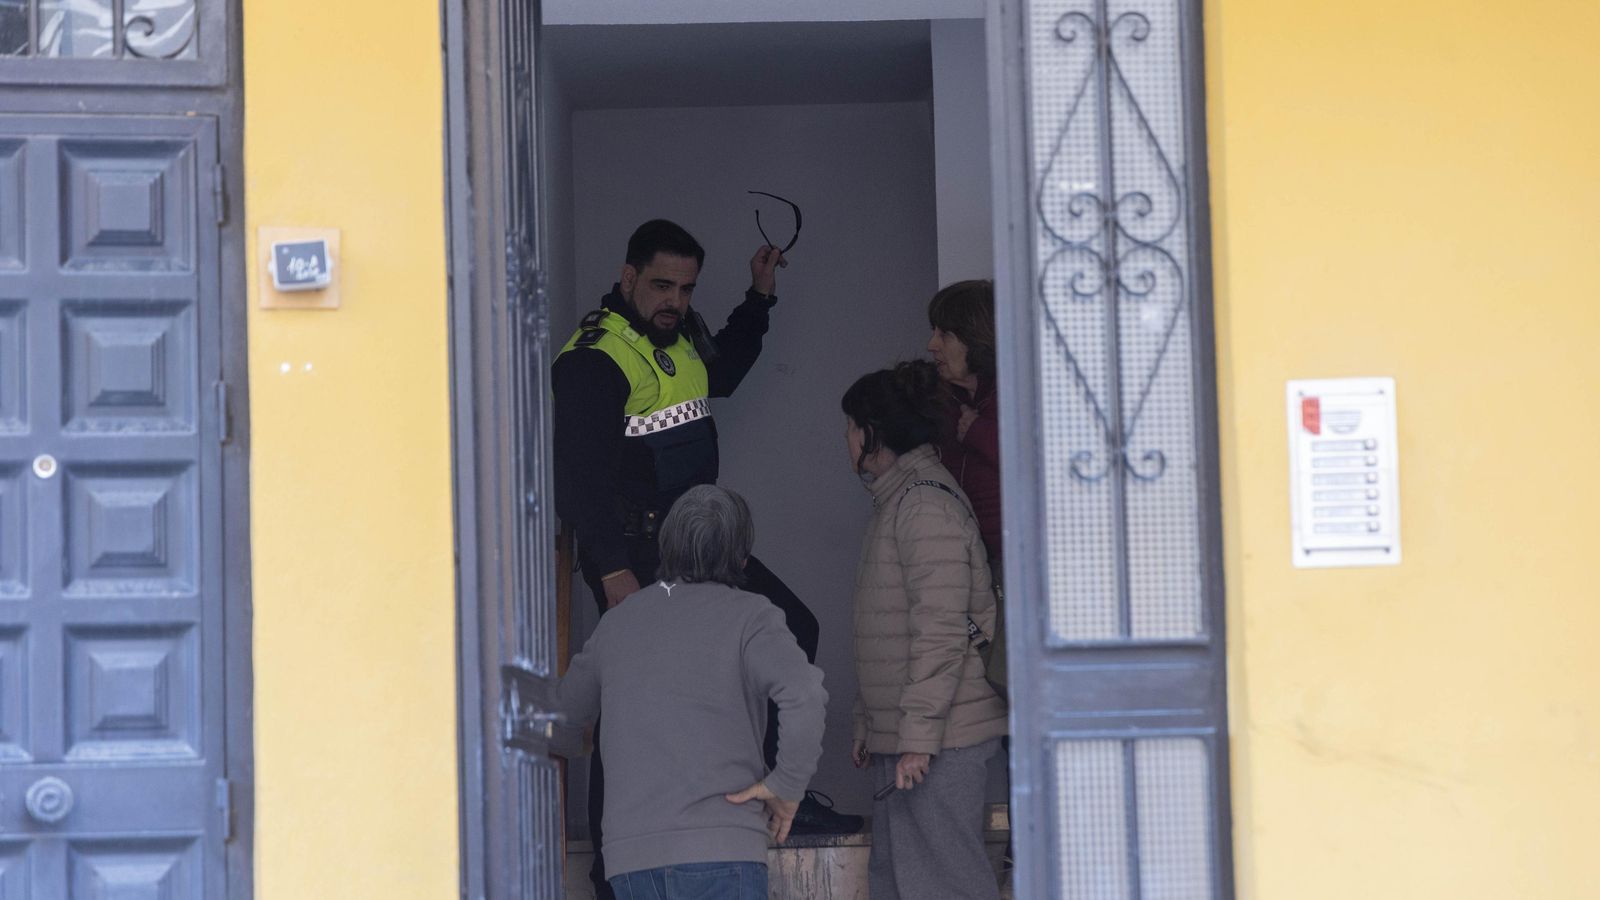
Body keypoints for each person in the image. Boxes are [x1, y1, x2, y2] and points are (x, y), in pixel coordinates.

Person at [552, 219, 858, 898]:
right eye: (662, 285)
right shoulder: (593, 358)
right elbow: (581, 477)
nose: (676, 301)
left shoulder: (680, 333)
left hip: (694, 545)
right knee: (630, 698)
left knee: (794, 629)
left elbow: (723, 371)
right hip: (634, 552)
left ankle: (779, 791)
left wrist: (759, 298)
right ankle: (613, 862)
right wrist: (611, 569)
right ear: (628, 277)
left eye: (686, 289)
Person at [552, 485, 828, 900]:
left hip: (631, 864)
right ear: (742, 558)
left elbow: (558, 722)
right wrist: (787, 786)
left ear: (666, 548)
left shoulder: (619, 623)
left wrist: (590, 738)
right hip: (723, 850)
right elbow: (804, 693)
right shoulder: (752, 616)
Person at [842, 360, 1008, 900]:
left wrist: (915, 738)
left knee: (943, 883)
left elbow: (939, 632)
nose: (845, 439)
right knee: (901, 883)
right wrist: (872, 723)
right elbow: (890, 633)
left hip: (940, 741)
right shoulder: (899, 501)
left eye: (850, 427)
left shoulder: (923, 506)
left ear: (873, 434)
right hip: (918, 738)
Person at [926, 280, 1002, 562]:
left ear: (977, 337)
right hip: (971, 564)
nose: (931, 345)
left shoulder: (1022, 395)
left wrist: (977, 432)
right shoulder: (947, 402)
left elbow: (1040, 466)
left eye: (944, 334)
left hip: (1022, 568)